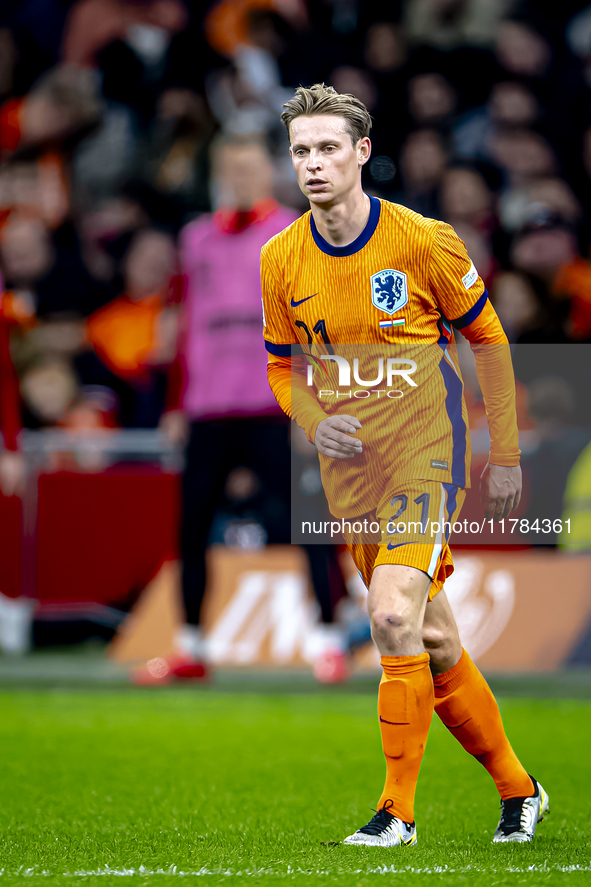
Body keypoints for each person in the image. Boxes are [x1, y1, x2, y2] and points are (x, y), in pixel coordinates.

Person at [260, 83, 548, 846]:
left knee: (388, 615)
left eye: (327, 148)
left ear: (360, 152)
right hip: (349, 477)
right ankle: (520, 789)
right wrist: (316, 421)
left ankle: (396, 812)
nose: (313, 164)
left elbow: (486, 340)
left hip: (425, 455)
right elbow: (280, 369)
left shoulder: (423, 239)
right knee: (433, 640)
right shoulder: (279, 259)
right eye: (300, 151)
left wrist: (506, 452)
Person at [138, 135, 350, 685]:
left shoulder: (296, 232)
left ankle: (329, 640)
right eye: (229, 167)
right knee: (191, 526)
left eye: (249, 167)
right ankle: (190, 647)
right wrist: (176, 403)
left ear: (269, 173)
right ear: (217, 173)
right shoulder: (196, 238)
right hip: (208, 405)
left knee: (303, 520)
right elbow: (186, 324)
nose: (239, 177)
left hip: (273, 402)